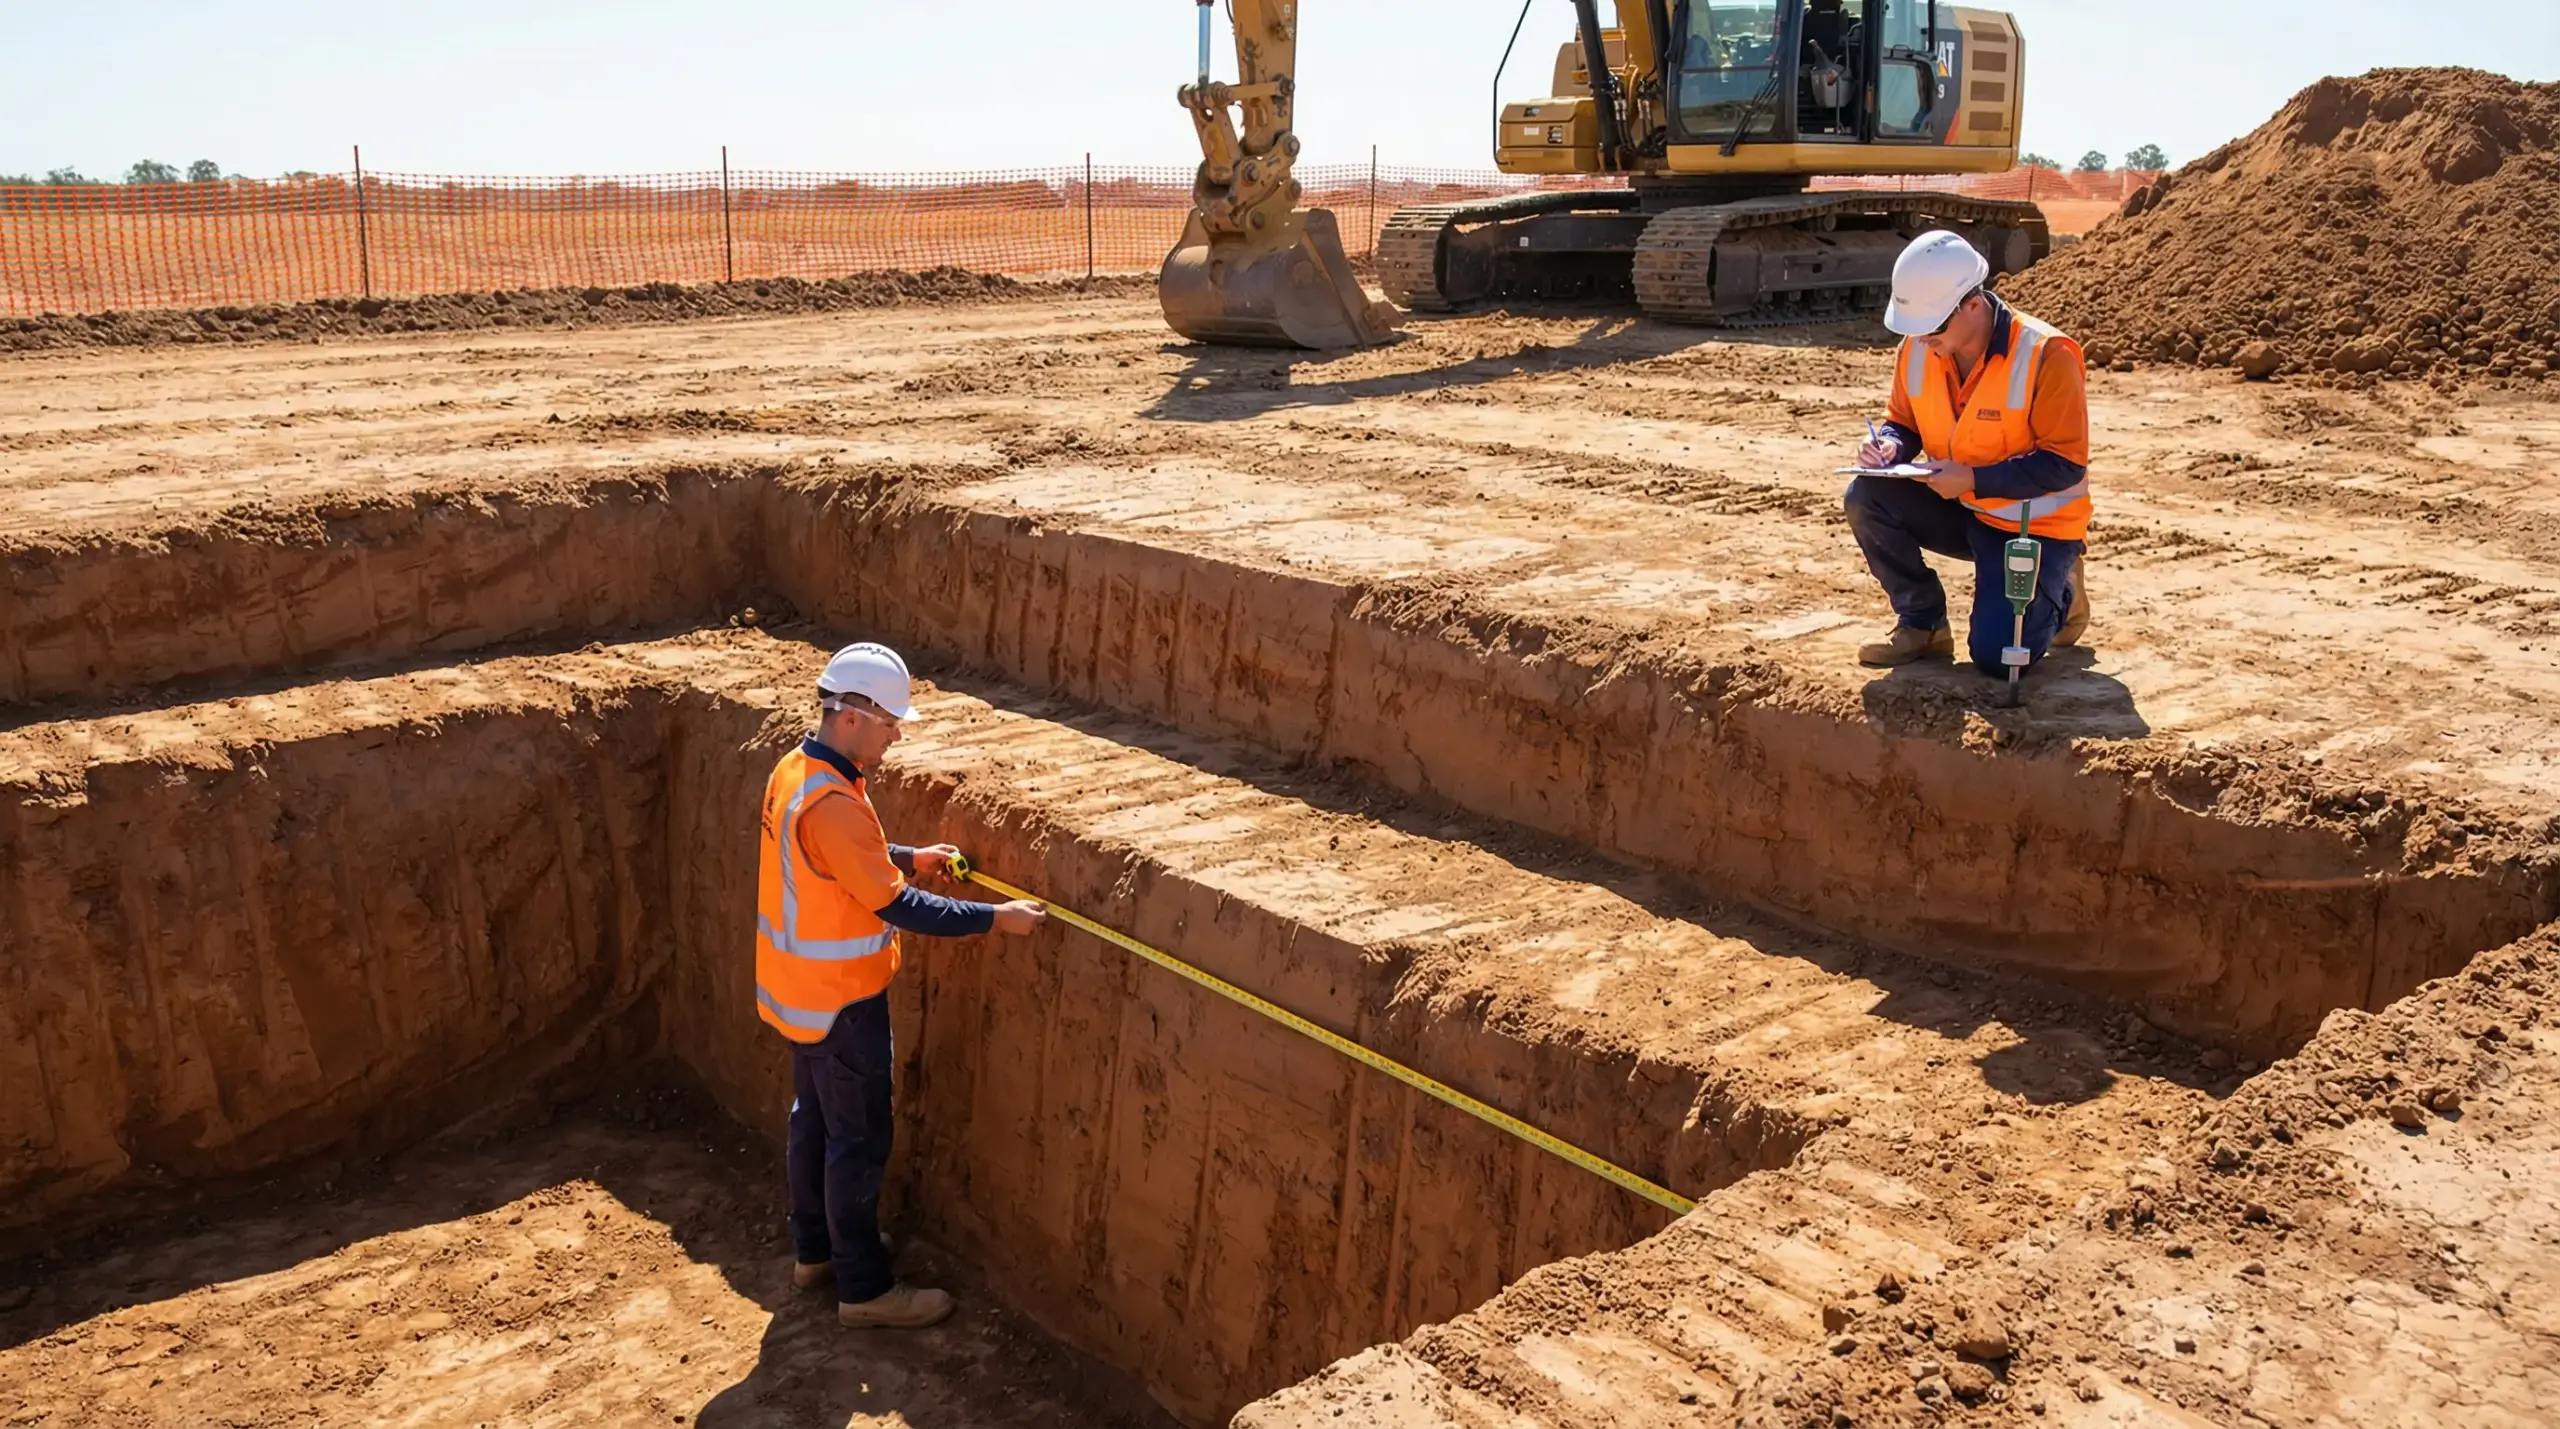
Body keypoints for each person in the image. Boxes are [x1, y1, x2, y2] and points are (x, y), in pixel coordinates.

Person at [754, 640, 1046, 1328]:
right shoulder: (831, 800)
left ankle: (816, 1252)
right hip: (843, 1001)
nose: (893, 739)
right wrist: (994, 920)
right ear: (853, 714)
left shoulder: (795, 773)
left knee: (813, 1128)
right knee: (856, 1143)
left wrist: (908, 855)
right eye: (890, 725)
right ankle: (864, 1289)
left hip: (801, 995)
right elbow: (898, 907)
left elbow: (841, 859)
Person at [1848, 230, 2093, 673]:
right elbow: (1902, 420)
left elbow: (2065, 464)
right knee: (1866, 496)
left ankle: (2064, 589)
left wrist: (1975, 479)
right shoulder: (1919, 347)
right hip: (1959, 505)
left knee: (1999, 660)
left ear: (1973, 306)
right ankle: (1923, 624)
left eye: (1932, 327)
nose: (1921, 339)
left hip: (2030, 525)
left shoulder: (2046, 354)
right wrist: (1890, 444)